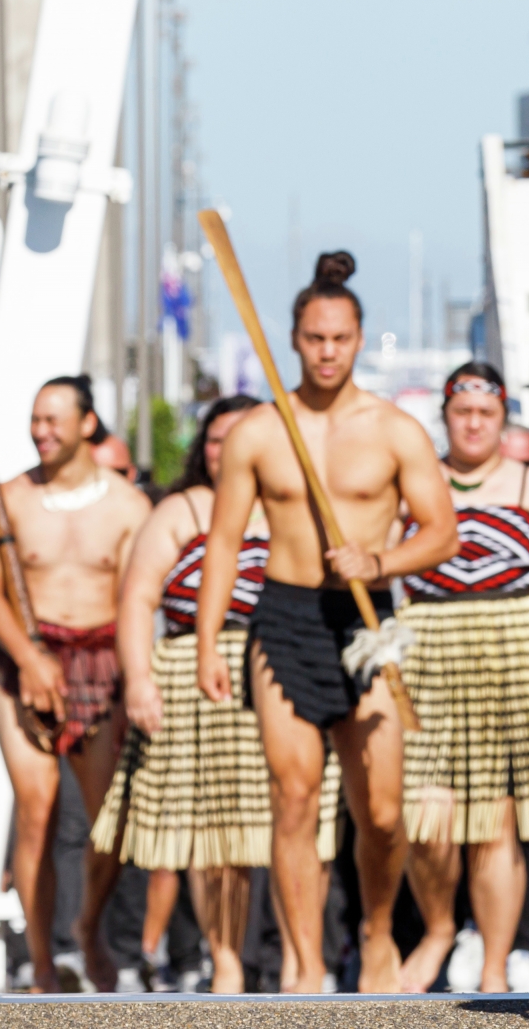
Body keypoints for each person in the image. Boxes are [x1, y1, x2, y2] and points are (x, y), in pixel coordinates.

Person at [194, 251, 458, 992]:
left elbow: (443, 533)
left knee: (378, 807)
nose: (328, 351)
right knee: (294, 797)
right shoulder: (257, 431)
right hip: (283, 618)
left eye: (340, 338)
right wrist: (210, 642)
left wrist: (379, 562)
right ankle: (304, 963)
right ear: (294, 339)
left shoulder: (394, 428)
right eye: (315, 338)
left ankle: (376, 931)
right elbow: (222, 542)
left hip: (367, 619)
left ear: (360, 338)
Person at [89, 395, 341, 993]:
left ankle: (300, 966)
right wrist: (140, 680)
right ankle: (225, 961)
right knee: (216, 834)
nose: (225, 450)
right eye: (216, 439)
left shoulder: (295, 504)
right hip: (196, 674)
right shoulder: (180, 510)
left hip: (286, 663)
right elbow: (138, 599)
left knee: (301, 820)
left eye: (240, 437)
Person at [394, 363, 529, 994]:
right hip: (428, 650)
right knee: (426, 819)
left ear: (503, 417)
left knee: (496, 822)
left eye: (486, 414)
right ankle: (437, 929)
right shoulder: (414, 480)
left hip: (518, 653)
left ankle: (493, 964)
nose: (474, 423)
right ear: (446, 415)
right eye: (463, 413)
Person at [0, 374, 152, 992]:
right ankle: (43, 961)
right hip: (26, 662)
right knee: (36, 810)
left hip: (101, 662)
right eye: (35, 419)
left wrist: (136, 679)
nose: (42, 431)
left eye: (54, 420)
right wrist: (28, 657)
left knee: (109, 820)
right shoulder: (8, 500)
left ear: (85, 424)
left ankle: (89, 928)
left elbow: (136, 598)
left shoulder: (128, 507)